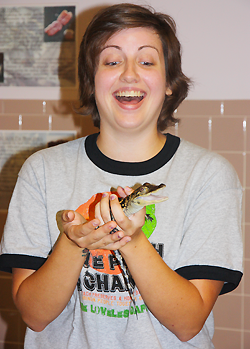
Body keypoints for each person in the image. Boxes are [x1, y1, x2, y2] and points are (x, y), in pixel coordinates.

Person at [0, 3, 243, 349]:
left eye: (146, 61)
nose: (129, 74)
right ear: (90, 80)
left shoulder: (209, 176)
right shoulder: (41, 171)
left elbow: (188, 323)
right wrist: (73, 244)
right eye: (112, 61)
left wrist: (133, 241)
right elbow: (34, 315)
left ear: (170, 83)